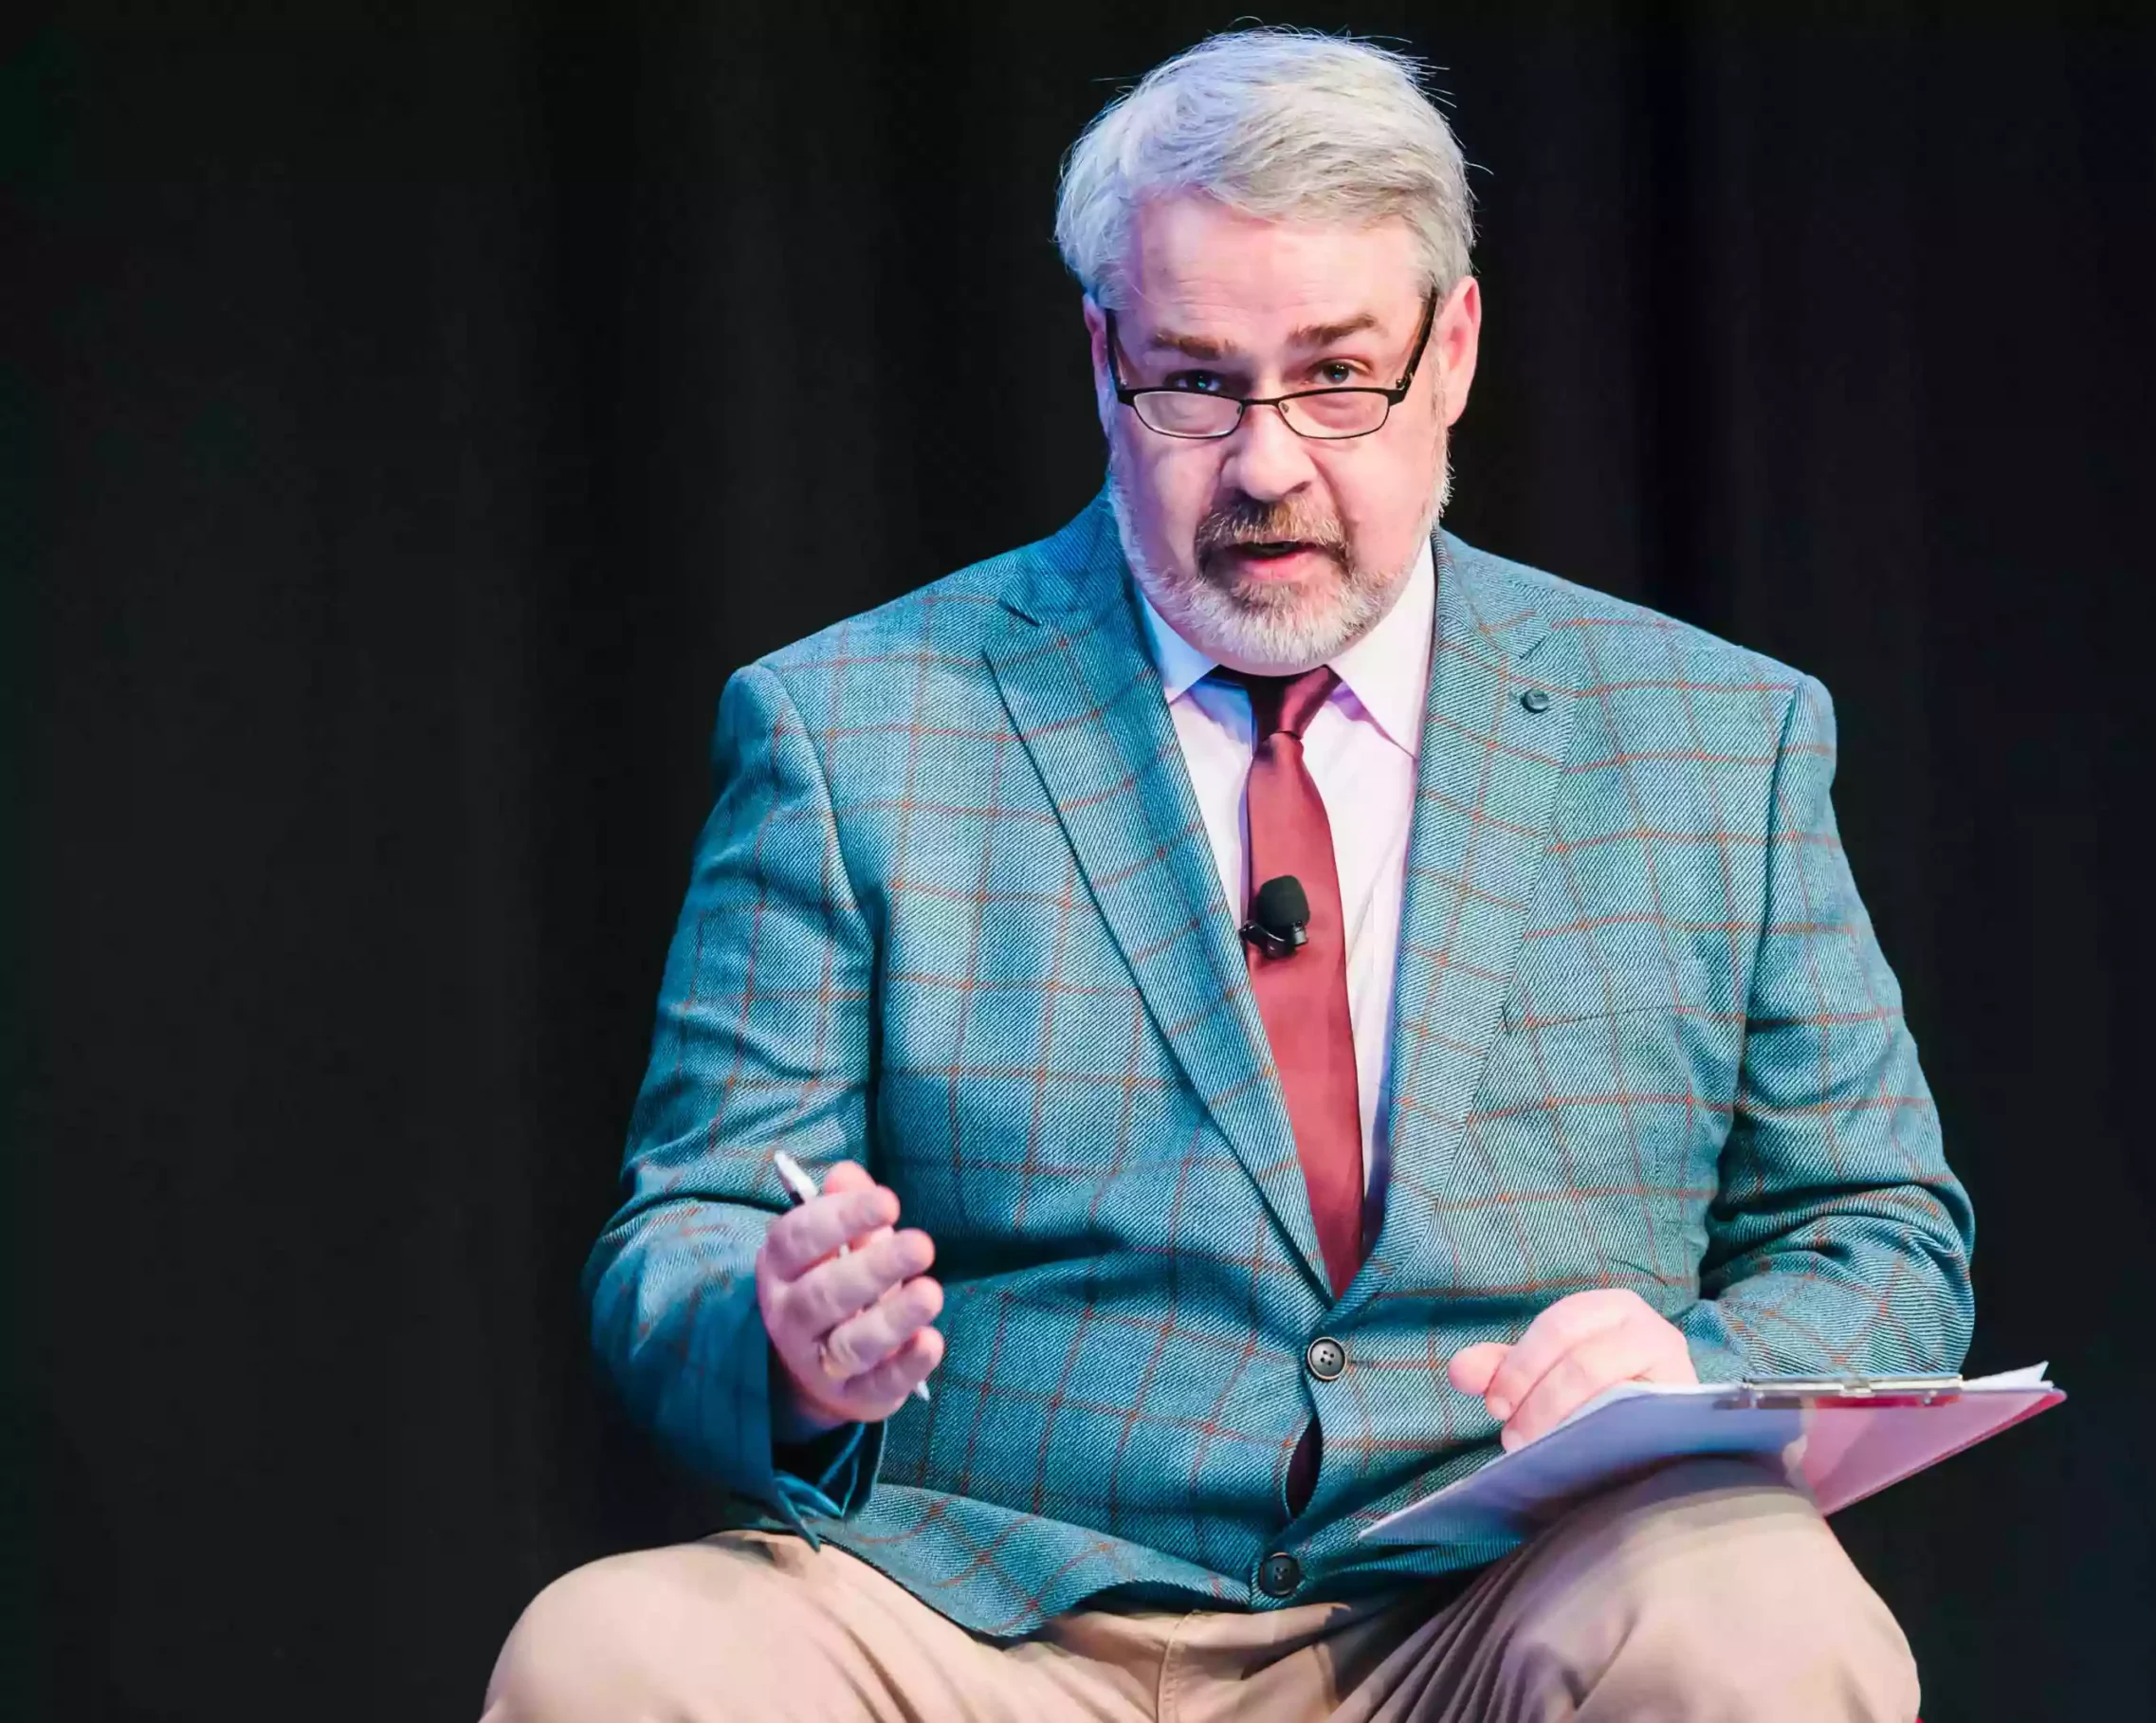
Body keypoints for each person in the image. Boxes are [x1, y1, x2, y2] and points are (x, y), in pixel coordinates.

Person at [484, 27, 1972, 1722]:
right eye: (1196, 381)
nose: (1267, 465)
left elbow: (1876, 1235)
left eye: (1340, 378)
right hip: (993, 1629)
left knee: (1765, 1624)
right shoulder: (854, 731)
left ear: (1455, 348)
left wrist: (1692, 1374)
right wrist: (783, 1338)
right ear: (1104, 358)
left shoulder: (1717, 739)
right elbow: (681, 1232)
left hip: (1496, 1593)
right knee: (611, 1658)